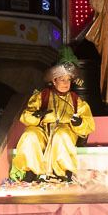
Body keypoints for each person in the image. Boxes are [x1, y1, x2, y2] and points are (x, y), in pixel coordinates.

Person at [10, 52, 95, 183]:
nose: (66, 83)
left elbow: (88, 124)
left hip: (65, 130)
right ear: (54, 81)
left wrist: (78, 123)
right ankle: (31, 172)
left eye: (68, 80)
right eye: (62, 79)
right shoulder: (41, 96)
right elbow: (26, 117)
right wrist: (36, 116)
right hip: (43, 130)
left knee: (61, 135)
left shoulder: (76, 100)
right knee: (30, 135)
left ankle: (63, 172)